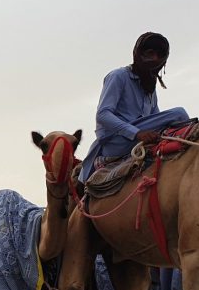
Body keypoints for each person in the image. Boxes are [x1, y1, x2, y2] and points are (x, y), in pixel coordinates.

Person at [79, 32, 191, 183]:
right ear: (138, 54)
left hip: (137, 139)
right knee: (179, 114)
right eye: (150, 53)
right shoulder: (118, 76)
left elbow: (155, 117)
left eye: (159, 55)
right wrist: (137, 133)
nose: (155, 59)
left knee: (175, 126)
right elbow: (103, 115)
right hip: (115, 141)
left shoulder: (150, 88)